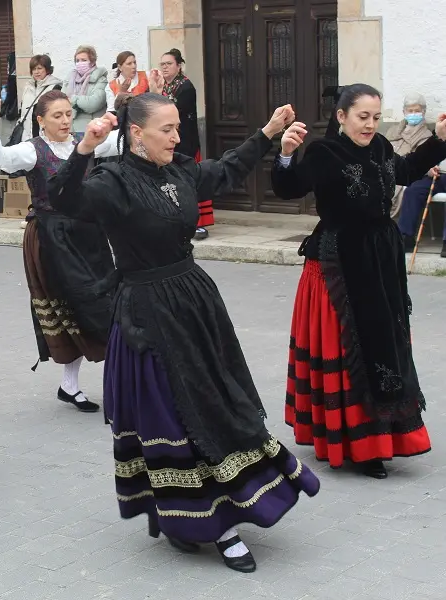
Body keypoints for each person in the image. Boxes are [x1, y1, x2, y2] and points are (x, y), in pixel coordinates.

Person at [49, 94, 319, 572]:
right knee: (174, 416)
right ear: (136, 133)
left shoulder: (180, 171)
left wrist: (269, 131)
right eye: (167, 130)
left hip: (194, 303)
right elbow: (65, 199)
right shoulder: (113, 180)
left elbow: (228, 169)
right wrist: (85, 148)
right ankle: (210, 524)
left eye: (178, 128)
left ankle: (210, 511)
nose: (177, 138)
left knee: (217, 402)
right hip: (147, 314)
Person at [274, 84, 446, 479]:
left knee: (386, 340)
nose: (370, 125)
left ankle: (385, 434)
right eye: (362, 117)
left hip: (381, 258)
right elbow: (288, 188)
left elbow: (407, 171)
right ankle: (358, 444)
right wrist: (284, 153)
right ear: (341, 116)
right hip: (341, 263)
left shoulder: (381, 146)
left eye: (375, 117)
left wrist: (439, 141)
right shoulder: (323, 152)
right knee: (354, 346)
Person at [0, 91, 118, 414]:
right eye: (57, 115)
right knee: (73, 309)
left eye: (69, 114)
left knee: (102, 306)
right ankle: (84, 385)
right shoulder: (33, 151)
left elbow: (122, 142)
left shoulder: (84, 143)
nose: (66, 121)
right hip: (51, 237)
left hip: (87, 235)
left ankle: (74, 385)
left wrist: (128, 113)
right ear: (40, 120)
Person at [149, 49, 212, 239]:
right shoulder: (164, 86)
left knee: (188, 181)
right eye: (162, 64)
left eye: (169, 64)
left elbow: (171, 110)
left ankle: (197, 223)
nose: (165, 67)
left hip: (185, 142)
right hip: (168, 142)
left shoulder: (186, 87)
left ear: (178, 66)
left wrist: (157, 93)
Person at [387, 93, 434, 219]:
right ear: (404, 112)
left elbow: (421, 162)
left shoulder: (426, 136)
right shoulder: (393, 131)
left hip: (405, 173)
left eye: (417, 111)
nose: (413, 114)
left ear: (423, 112)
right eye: (410, 110)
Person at [17, 55, 63, 142]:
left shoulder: (55, 87)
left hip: (45, 137)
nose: (36, 72)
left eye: (39, 68)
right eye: (34, 69)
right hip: (26, 136)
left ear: (47, 69)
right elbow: (22, 110)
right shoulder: (28, 87)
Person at [62, 45, 108, 133]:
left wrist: (73, 99)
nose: (80, 63)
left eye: (84, 60)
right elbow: (61, 101)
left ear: (92, 62)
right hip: (70, 129)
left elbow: (93, 104)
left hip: (91, 130)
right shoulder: (70, 79)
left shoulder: (101, 80)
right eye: (77, 60)